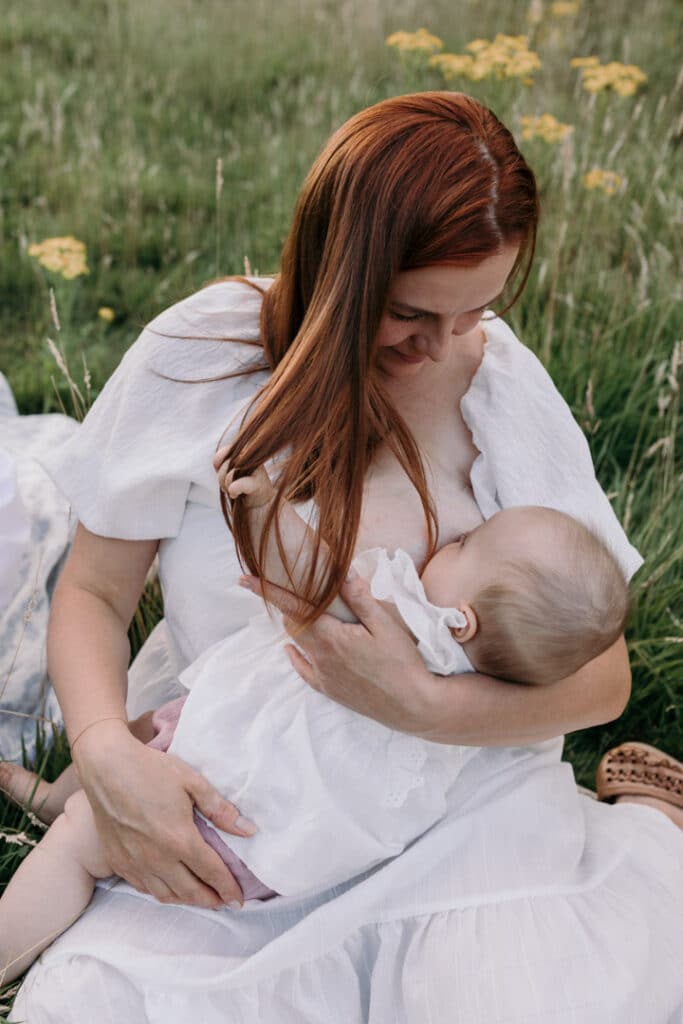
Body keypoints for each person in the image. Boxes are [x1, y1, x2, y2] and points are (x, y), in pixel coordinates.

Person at [7, 92, 683, 1022]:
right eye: (410, 313)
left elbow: (602, 677)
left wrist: (423, 704)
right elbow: (91, 592)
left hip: (454, 805)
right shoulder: (200, 359)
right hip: (247, 805)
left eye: (475, 310)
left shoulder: (496, 382)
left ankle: (643, 821)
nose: (446, 346)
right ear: (338, 268)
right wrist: (104, 752)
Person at [0, 471, 632, 984]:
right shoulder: (482, 686)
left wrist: (267, 512)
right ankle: (52, 797)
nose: (454, 538)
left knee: (87, 836)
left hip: (232, 807)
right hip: (265, 802)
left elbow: (315, 577)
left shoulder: (414, 627)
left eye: (468, 546)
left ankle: (12, 936)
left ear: (461, 622)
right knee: (138, 734)